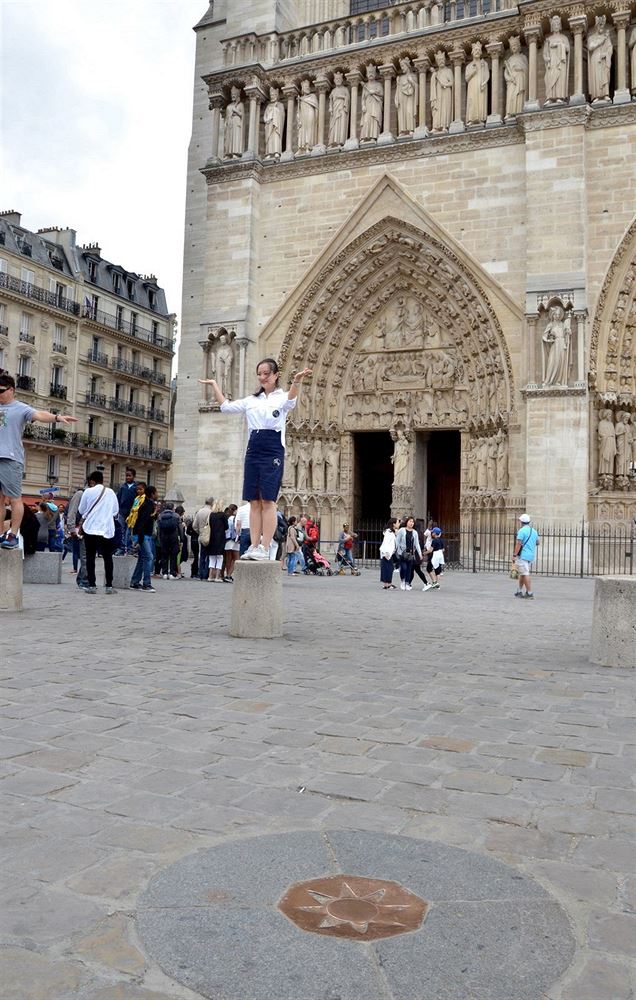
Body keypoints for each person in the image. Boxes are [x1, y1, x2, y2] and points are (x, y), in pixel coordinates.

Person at [199, 358, 311, 561]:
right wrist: (215, 385)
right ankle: (254, 545)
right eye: (259, 374)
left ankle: (266, 546)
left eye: (266, 373)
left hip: (273, 447)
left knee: (268, 500)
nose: (262, 377)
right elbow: (225, 407)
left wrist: (296, 381)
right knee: (253, 501)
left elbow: (291, 400)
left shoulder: (281, 397)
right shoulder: (251, 400)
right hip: (253, 448)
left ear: (276, 375)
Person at [0, 372, 78, 550]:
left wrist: (57, 418)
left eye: (1, 391)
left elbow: (39, 414)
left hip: (10, 458)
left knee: (14, 499)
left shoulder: (20, 408)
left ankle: (12, 535)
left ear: (11, 390)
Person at [77, 470, 119, 595]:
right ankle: (109, 586)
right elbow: (115, 511)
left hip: (90, 528)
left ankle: (91, 585)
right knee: (108, 557)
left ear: (92, 481)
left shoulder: (88, 491)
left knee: (90, 557)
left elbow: (81, 509)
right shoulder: (111, 492)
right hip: (106, 528)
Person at [128, 483, 158, 592]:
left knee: (142, 558)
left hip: (142, 534)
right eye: (156, 493)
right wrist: (140, 539)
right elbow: (142, 522)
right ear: (152, 494)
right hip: (143, 535)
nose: (157, 495)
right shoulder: (148, 505)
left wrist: (155, 515)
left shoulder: (147, 504)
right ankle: (146, 584)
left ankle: (134, 582)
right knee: (148, 557)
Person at [512, 513, 540, 599]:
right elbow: (538, 543)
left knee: (525, 573)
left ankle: (529, 593)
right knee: (522, 573)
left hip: (523, 555)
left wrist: (514, 555)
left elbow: (519, 544)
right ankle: (519, 590)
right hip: (531, 555)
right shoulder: (534, 531)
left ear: (521, 522)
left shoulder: (521, 531)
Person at [395, 516, 423, 590]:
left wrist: (420, 554)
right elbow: (397, 541)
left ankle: (407, 583)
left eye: (412, 522)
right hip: (402, 552)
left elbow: (417, 544)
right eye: (410, 521)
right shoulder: (402, 530)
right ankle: (402, 580)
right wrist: (396, 550)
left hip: (411, 553)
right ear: (407, 522)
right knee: (403, 568)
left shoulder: (415, 532)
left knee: (409, 569)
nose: (411, 523)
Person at [192, 496, 215, 580]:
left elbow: (194, 525)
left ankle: (200, 574)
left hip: (201, 535)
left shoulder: (199, 511)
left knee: (201, 555)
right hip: (210, 535)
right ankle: (206, 574)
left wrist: (200, 532)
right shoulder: (211, 512)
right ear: (212, 503)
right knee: (209, 555)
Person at [157, 502, 181, 579]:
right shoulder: (176, 516)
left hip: (164, 537)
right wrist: (182, 539)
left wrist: (159, 538)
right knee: (174, 555)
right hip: (174, 537)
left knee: (164, 555)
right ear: (172, 508)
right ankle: (172, 573)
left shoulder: (160, 516)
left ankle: (164, 573)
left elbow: (159, 529)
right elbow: (180, 528)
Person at [115, 467, 137, 553]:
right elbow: (118, 499)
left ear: (134, 476)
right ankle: (121, 547)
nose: (127, 477)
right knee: (122, 530)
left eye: (129, 476)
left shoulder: (135, 487)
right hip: (122, 512)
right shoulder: (122, 487)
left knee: (129, 531)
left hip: (131, 513)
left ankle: (128, 547)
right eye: (126, 476)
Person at [207, 500, 228, 581]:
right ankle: (217, 576)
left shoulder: (211, 515)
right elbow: (226, 527)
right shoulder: (223, 515)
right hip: (220, 538)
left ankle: (210, 576)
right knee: (220, 557)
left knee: (212, 558)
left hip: (212, 537)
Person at [379, 518, 398, 590]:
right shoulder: (389, 532)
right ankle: (387, 584)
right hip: (387, 553)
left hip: (389, 553)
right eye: (397, 522)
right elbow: (386, 543)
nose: (398, 524)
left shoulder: (391, 532)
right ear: (393, 524)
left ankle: (387, 583)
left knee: (388, 568)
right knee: (388, 568)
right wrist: (386, 553)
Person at [424, 526, 444, 590]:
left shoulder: (434, 541)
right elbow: (443, 549)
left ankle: (434, 582)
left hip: (434, 556)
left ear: (435, 533)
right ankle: (437, 584)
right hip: (440, 556)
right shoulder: (441, 540)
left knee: (429, 568)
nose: (432, 533)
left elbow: (430, 550)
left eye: (432, 532)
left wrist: (424, 553)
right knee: (438, 570)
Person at [222, 503, 239, 581]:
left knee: (228, 558)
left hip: (227, 539)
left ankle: (226, 574)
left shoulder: (226, 517)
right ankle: (229, 574)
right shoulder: (234, 518)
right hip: (234, 539)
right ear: (235, 510)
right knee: (236, 558)